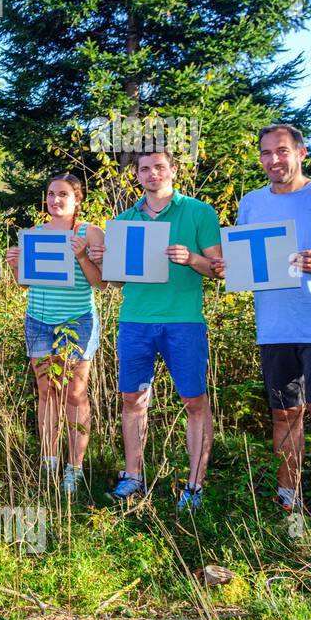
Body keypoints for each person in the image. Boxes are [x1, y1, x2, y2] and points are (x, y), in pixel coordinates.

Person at [214, 124, 311, 529]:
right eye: (267, 153)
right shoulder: (251, 203)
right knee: (284, 415)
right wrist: (229, 268)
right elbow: (250, 265)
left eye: (283, 151)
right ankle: (287, 502)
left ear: (301, 153)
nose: (275, 159)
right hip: (274, 327)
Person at [89, 150, 222, 510]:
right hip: (135, 320)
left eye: (159, 167)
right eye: (145, 169)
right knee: (133, 400)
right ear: (137, 175)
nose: (152, 174)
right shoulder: (123, 220)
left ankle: (194, 486)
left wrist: (192, 259)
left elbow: (220, 269)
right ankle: (133, 477)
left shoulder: (198, 212)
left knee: (194, 402)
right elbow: (115, 282)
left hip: (184, 322)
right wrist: (102, 262)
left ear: (173, 171)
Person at [5, 174, 106, 493]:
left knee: (74, 393)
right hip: (39, 319)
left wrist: (81, 256)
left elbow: (102, 283)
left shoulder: (90, 232)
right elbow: (24, 283)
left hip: (76, 321)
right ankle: (49, 461)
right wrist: (14, 264)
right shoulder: (34, 235)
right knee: (46, 390)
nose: (55, 200)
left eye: (63, 194)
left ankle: (74, 468)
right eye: (51, 194)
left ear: (77, 198)